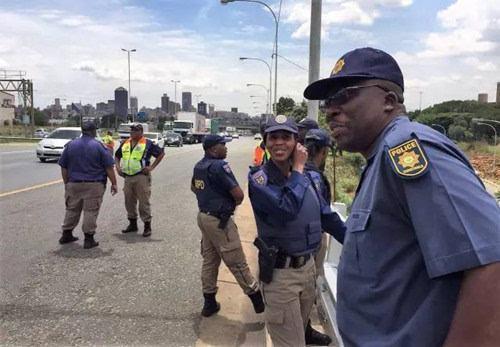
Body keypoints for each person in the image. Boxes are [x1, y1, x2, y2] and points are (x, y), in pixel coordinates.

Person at [304, 47, 500, 346]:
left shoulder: (408, 150)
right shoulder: (380, 159)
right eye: (328, 100)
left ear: (389, 101)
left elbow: (492, 262)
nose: (330, 109)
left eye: (345, 95)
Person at [248, 115, 345, 347]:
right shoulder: (259, 179)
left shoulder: (309, 178)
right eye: (273, 137)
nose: (279, 142)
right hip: (282, 277)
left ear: (296, 142)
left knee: (299, 336)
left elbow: (326, 216)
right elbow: (286, 210)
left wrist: (358, 241)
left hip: (308, 271)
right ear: (266, 142)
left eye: (286, 137)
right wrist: (300, 169)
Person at [191, 134, 265, 317]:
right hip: (219, 221)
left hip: (204, 217)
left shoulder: (199, 165)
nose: (226, 148)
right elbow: (239, 195)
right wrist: (225, 202)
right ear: (213, 149)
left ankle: (209, 302)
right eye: (223, 145)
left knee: (210, 260)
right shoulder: (218, 166)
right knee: (237, 260)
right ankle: (258, 301)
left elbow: (194, 188)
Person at [58, 121, 118, 249]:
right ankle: (89, 239)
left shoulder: (71, 145)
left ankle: (66, 234)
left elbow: (64, 167)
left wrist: (67, 183)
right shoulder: (99, 146)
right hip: (93, 185)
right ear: (93, 131)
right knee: (90, 211)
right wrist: (114, 183)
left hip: (73, 184)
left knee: (72, 209)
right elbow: (108, 167)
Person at [115, 123, 164, 237]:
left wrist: (151, 167)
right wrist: (117, 168)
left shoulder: (147, 143)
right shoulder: (125, 143)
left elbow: (161, 154)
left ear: (141, 132)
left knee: (143, 202)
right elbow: (117, 156)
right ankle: (132, 224)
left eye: (135, 130)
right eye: (131, 130)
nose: (132, 132)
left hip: (141, 176)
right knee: (129, 201)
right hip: (127, 177)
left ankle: (147, 226)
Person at [304, 128, 334, 277]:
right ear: (323, 152)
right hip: (314, 237)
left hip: (299, 239)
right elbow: (324, 213)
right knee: (316, 274)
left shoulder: (294, 170)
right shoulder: (316, 177)